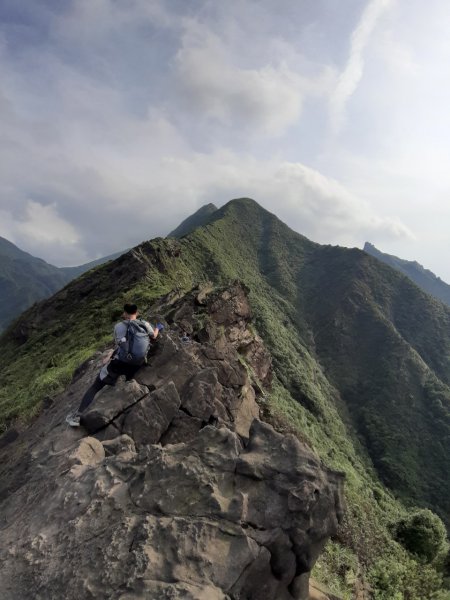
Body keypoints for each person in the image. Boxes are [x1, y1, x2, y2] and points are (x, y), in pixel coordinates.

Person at [66, 303, 163, 427]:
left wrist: (110, 356)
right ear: (137, 312)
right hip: (137, 364)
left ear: (125, 313)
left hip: (120, 362)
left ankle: (77, 416)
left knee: (96, 386)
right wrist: (158, 327)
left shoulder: (119, 326)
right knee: (128, 383)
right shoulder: (145, 324)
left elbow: (120, 345)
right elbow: (154, 336)